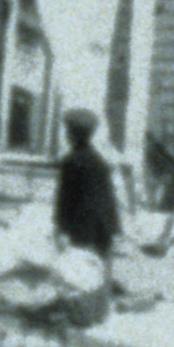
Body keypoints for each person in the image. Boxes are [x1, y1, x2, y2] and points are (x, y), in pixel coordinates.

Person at [53, 107, 121, 258]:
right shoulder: (100, 161)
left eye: (67, 131)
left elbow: (64, 199)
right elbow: (109, 197)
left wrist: (60, 228)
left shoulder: (70, 161)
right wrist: (114, 227)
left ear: (71, 135)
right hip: (103, 226)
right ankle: (106, 281)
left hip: (81, 228)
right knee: (100, 265)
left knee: (81, 270)